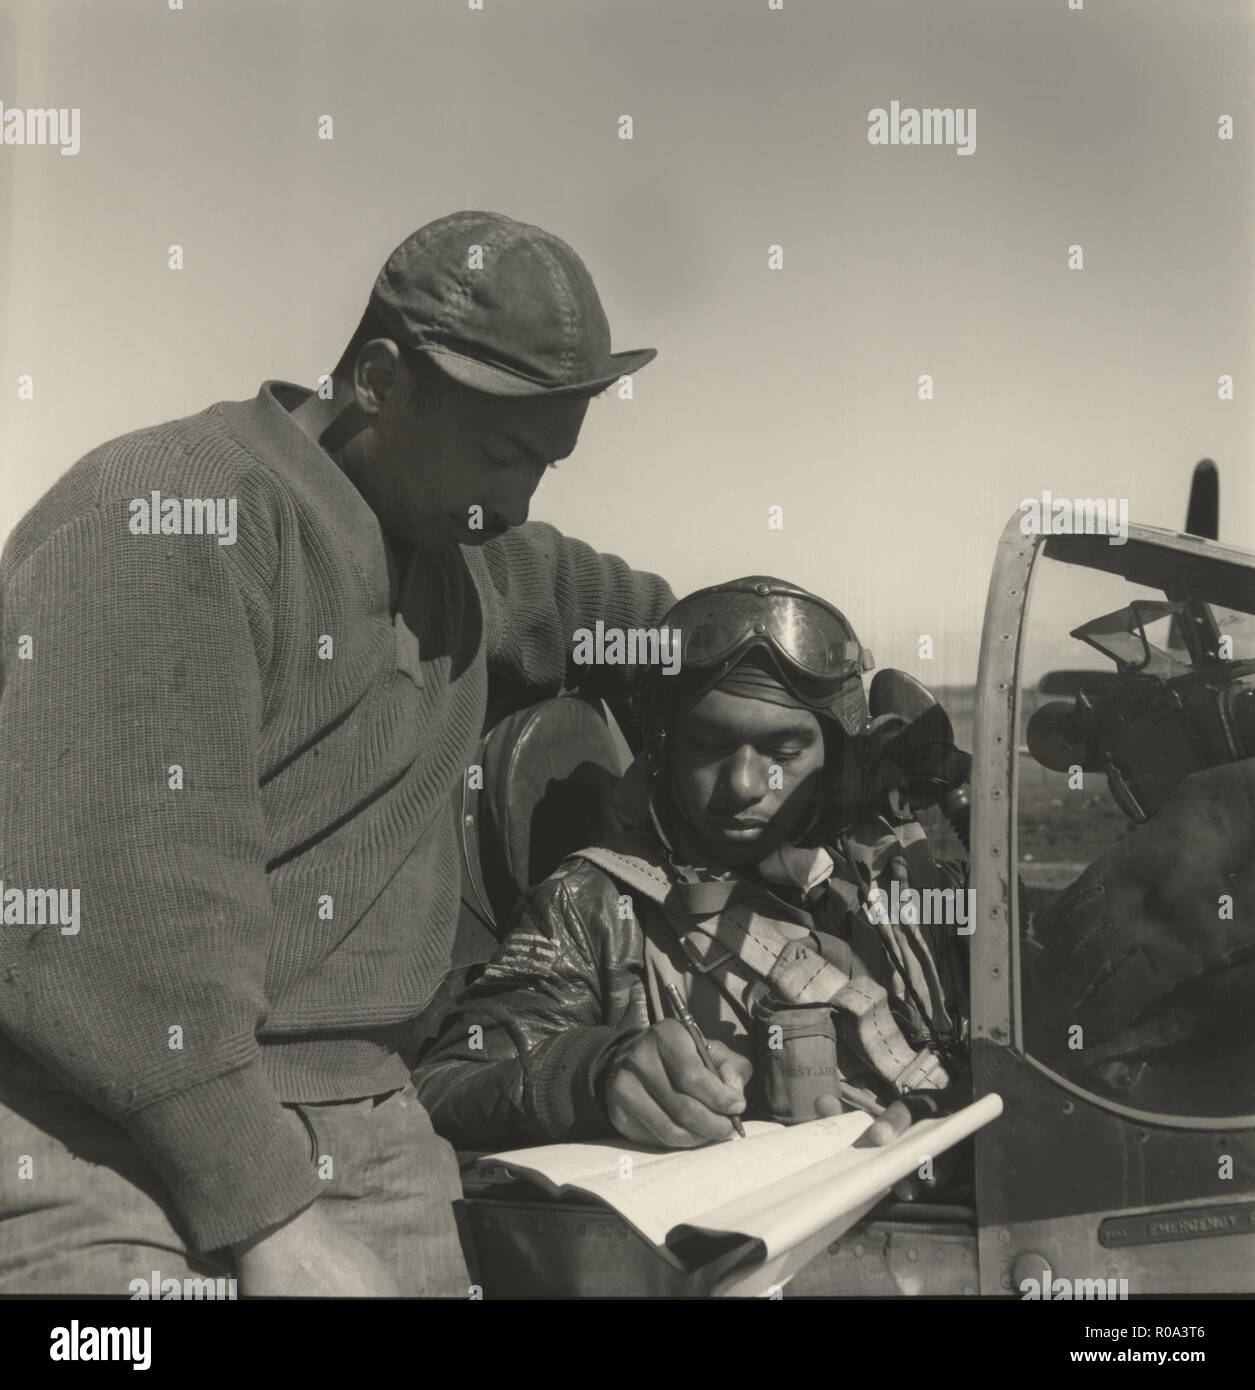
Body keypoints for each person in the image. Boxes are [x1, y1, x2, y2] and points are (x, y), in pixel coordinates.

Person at [0, 211, 672, 1296]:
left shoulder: (466, 553)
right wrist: (272, 1220)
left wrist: (823, 689)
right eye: (501, 452)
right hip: (106, 1127)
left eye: (546, 463)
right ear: (376, 376)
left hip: (369, 1115)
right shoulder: (169, 516)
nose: (516, 501)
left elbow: (653, 624)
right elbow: (108, 923)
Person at [414, 577, 970, 1163]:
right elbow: (444, 1084)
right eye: (708, 744)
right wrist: (596, 1073)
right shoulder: (594, 906)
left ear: (836, 764)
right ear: (663, 746)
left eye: (783, 752)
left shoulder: (891, 880)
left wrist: (954, 1097)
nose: (742, 786)